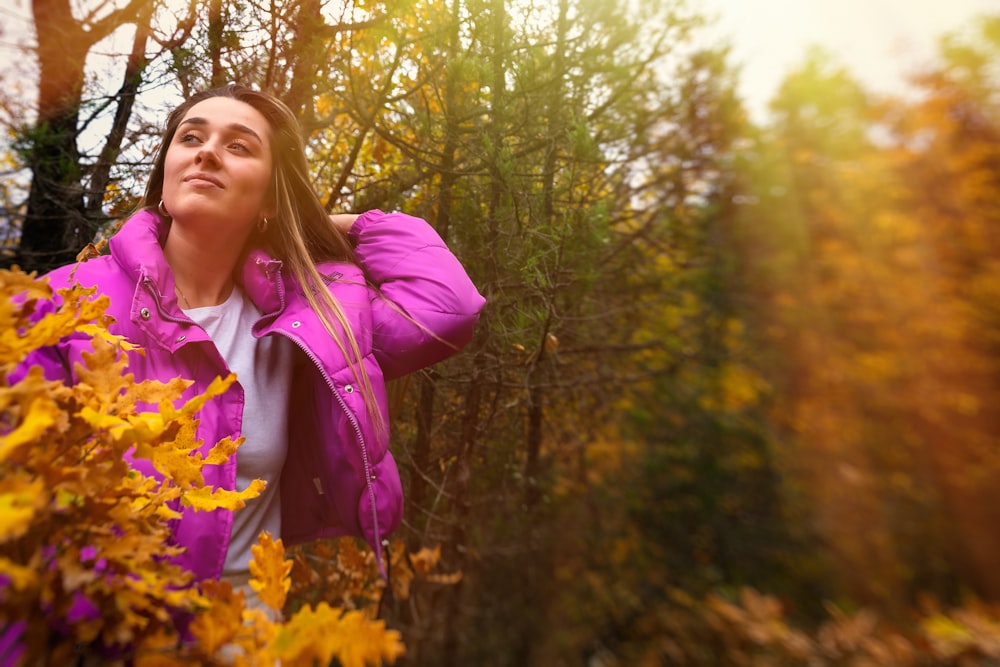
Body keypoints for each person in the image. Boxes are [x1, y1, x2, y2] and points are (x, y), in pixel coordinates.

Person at [19, 83, 485, 601]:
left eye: (239, 146)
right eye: (191, 137)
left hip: (245, 634)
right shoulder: (63, 301)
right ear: (167, 171)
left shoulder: (305, 320)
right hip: (101, 629)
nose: (207, 151)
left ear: (269, 194)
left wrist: (327, 225)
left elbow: (447, 308)